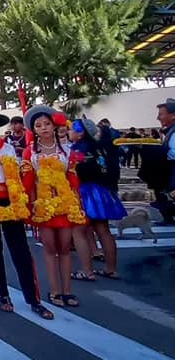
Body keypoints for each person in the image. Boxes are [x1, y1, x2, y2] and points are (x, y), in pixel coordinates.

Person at [0, 109, 52, 320]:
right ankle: (3, 294)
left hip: (10, 199)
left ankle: (33, 298)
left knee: (20, 249)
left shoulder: (7, 148)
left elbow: (13, 175)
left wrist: (18, 199)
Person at [22, 105, 86, 309]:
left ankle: (67, 290)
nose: (44, 128)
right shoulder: (30, 152)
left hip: (65, 205)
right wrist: (33, 204)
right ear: (34, 130)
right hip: (43, 207)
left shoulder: (66, 150)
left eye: (47, 124)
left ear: (54, 126)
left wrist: (77, 203)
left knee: (65, 248)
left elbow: (73, 178)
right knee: (50, 248)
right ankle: (54, 290)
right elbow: (28, 182)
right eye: (38, 125)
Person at [70, 117, 123, 279]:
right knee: (104, 230)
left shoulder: (78, 148)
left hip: (85, 192)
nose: (70, 132)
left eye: (72, 129)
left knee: (79, 231)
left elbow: (75, 172)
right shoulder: (99, 147)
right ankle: (111, 269)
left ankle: (87, 271)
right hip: (102, 191)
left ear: (80, 133)